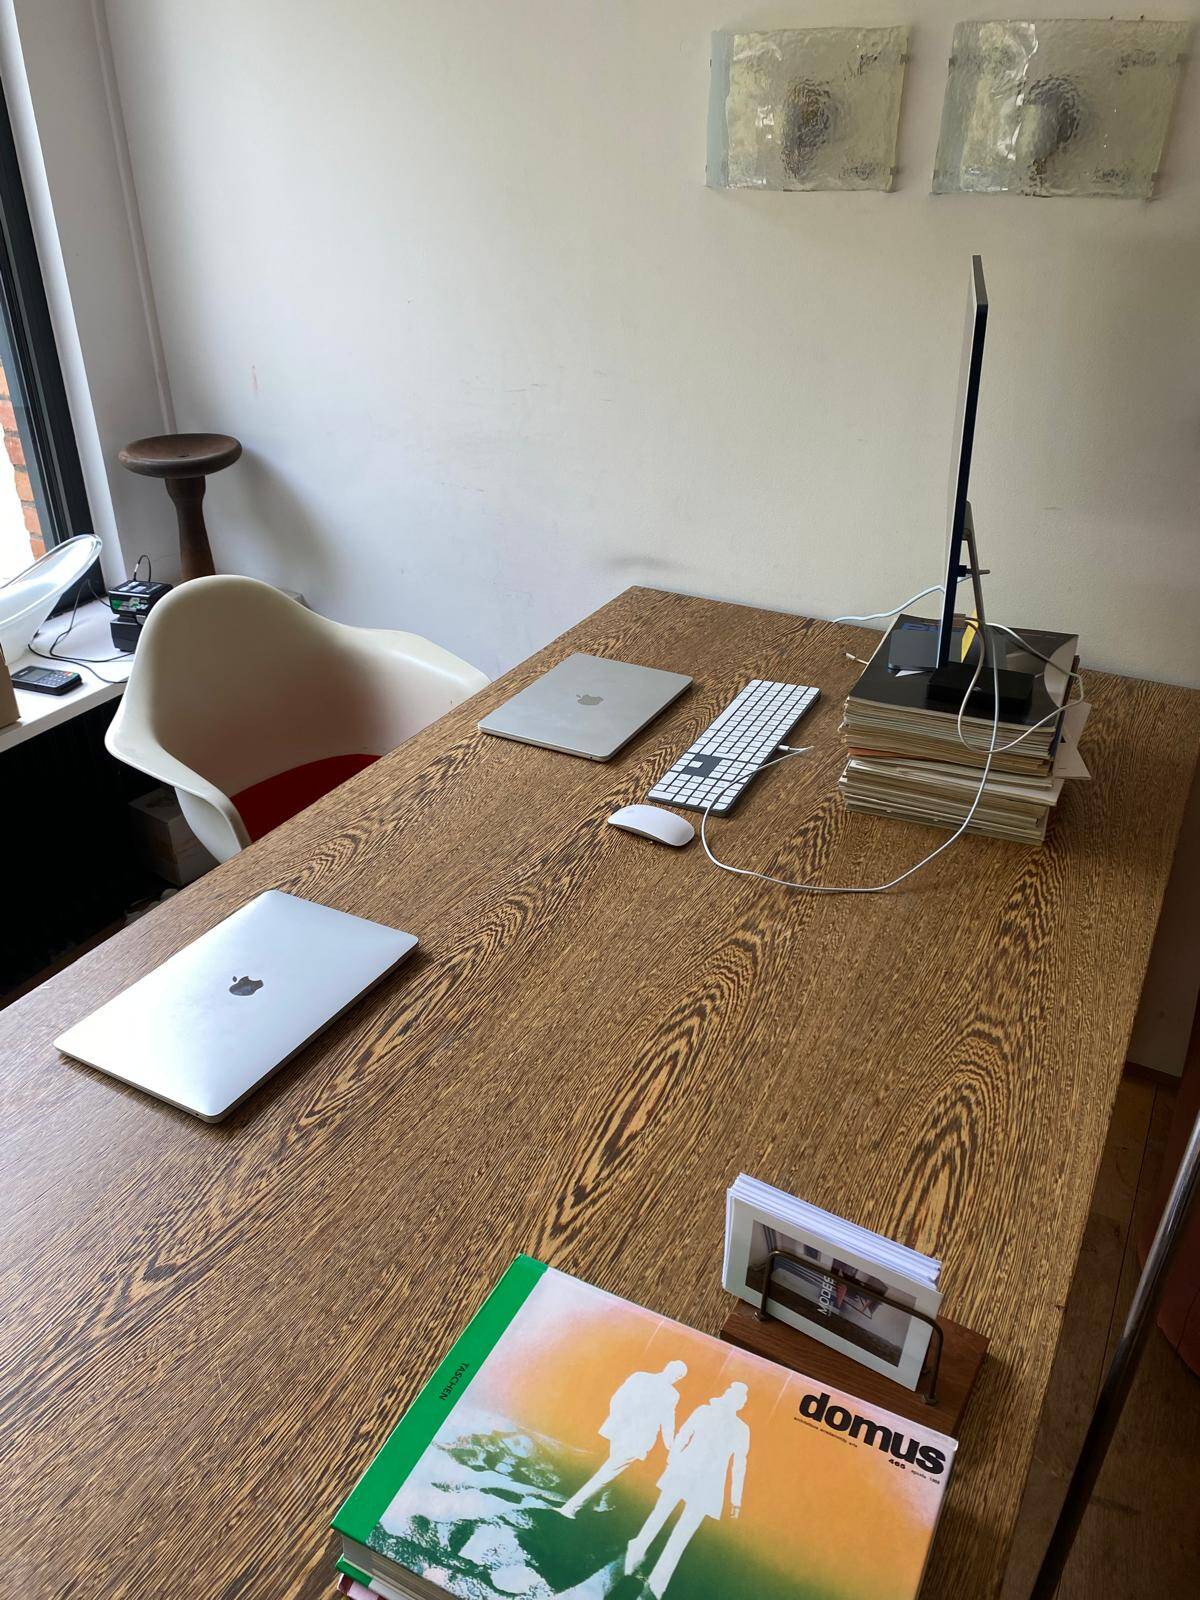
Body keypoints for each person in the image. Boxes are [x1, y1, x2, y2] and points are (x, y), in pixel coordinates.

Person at [623, 1381, 750, 1598]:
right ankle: (643, 1572)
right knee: (666, 1524)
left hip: (699, 1480)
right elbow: (685, 1435)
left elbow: (738, 1465)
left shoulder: (732, 1425)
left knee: (671, 1528)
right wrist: (673, 1461)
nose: (735, 1399)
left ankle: (645, 1577)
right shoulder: (719, 1418)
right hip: (692, 1476)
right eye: (735, 1395)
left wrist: (735, 1500)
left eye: (737, 1397)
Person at [558, 1359, 688, 1519]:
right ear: (676, 1376)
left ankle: (590, 1504)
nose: (676, 1378)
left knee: (608, 1471)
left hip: (621, 1432)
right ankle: (571, 1508)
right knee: (606, 1474)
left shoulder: (640, 1377)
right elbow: (667, 1423)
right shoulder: (671, 1394)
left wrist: (618, 1423)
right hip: (636, 1440)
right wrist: (671, 1448)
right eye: (678, 1375)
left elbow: (617, 1399)